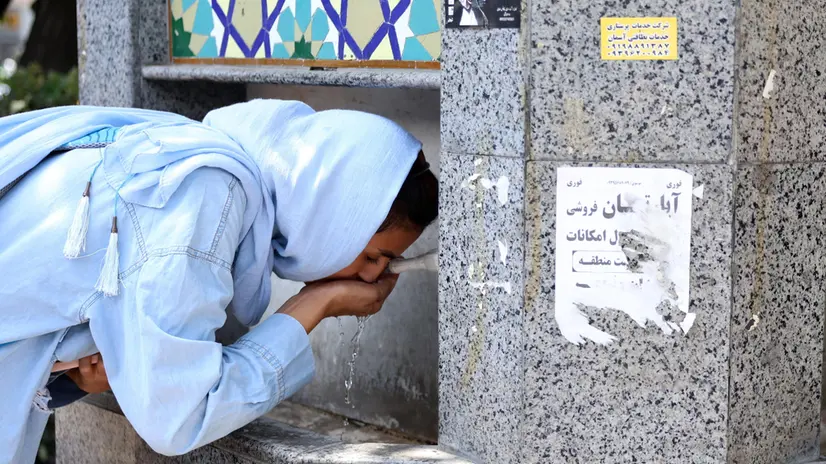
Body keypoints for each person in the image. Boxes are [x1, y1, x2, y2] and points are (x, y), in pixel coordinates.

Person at [0, 99, 438, 462]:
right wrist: (311, 307)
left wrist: (79, 379)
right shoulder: (205, 194)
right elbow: (179, 418)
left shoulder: (186, 153)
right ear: (338, 220)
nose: (373, 276)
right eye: (375, 256)